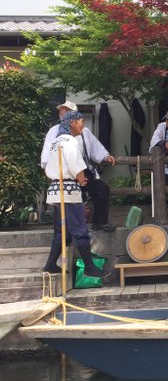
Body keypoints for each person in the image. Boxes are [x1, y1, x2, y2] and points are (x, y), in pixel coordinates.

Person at [42, 110, 108, 276]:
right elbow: (77, 167)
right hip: (69, 192)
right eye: (80, 121)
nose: (82, 124)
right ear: (72, 123)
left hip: (56, 191)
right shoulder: (70, 142)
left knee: (61, 231)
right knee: (79, 229)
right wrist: (81, 179)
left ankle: (50, 264)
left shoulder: (56, 141)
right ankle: (89, 267)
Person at [41, 101, 116, 232]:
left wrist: (105, 156)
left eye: (64, 111)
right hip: (64, 174)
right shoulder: (54, 132)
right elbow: (48, 152)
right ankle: (62, 232)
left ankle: (99, 222)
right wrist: (49, 169)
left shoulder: (84, 131)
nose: (61, 114)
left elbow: (95, 147)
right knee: (65, 202)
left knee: (102, 189)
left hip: (83, 171)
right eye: (60, 111)